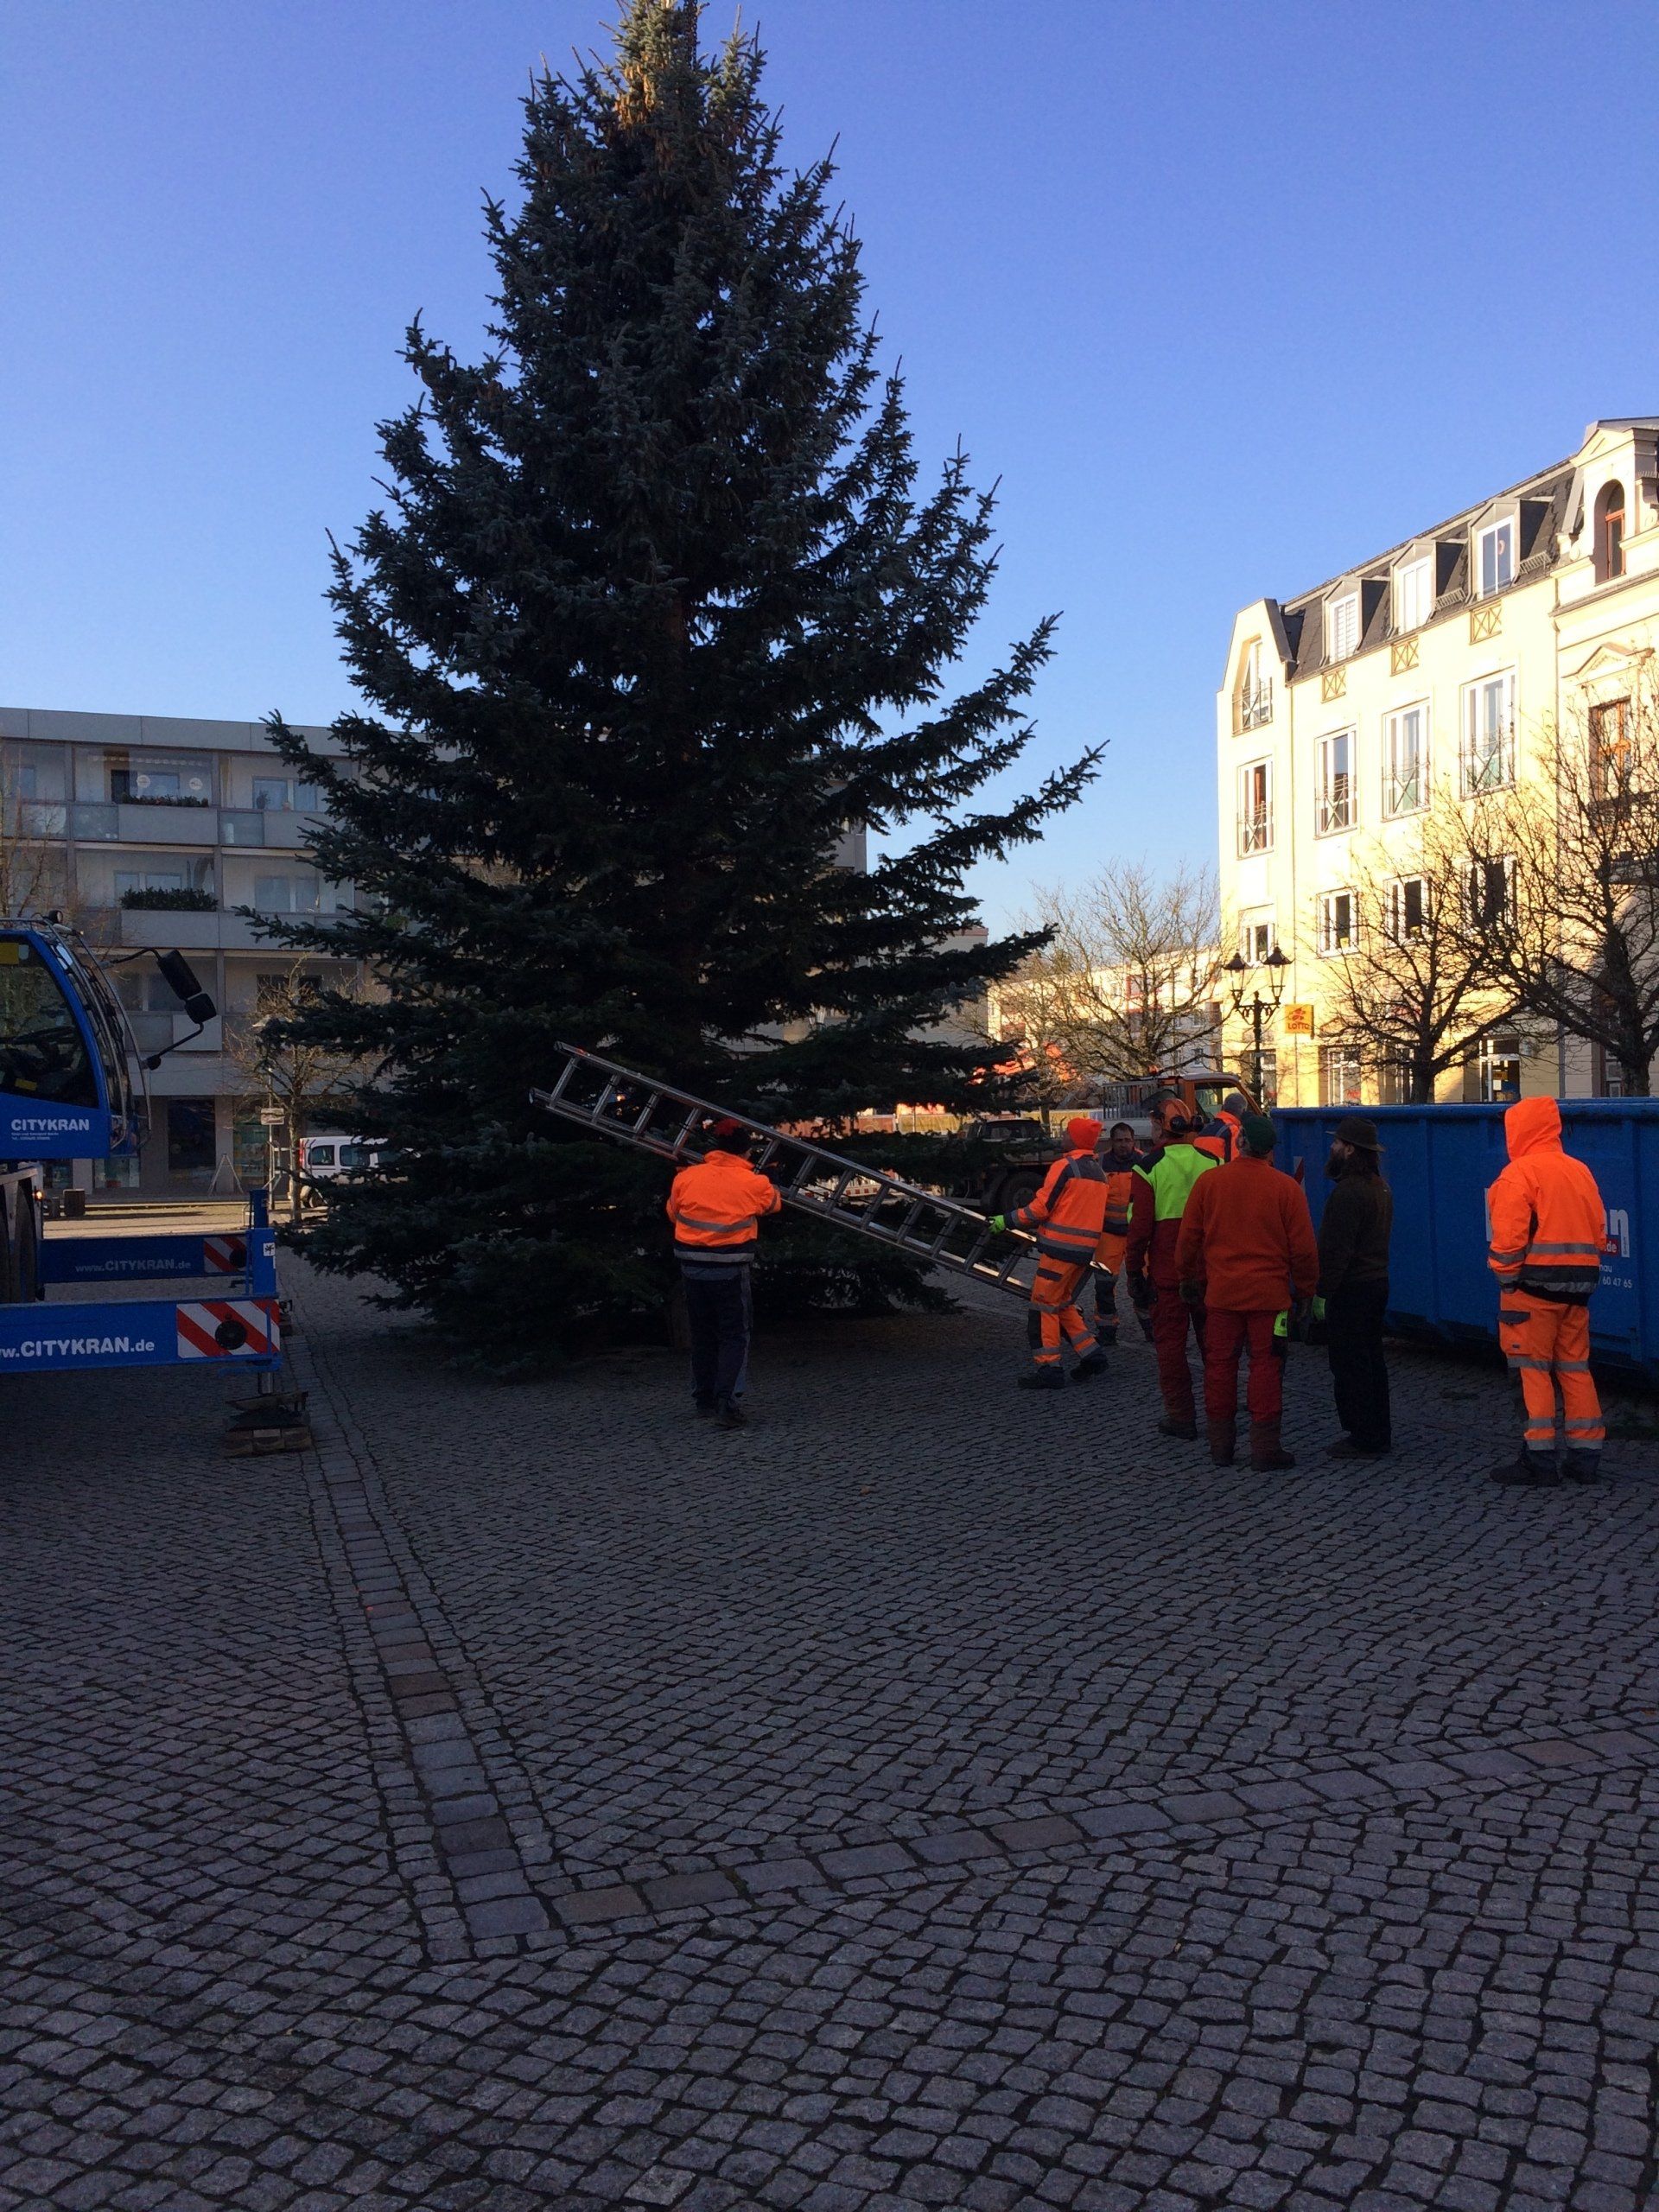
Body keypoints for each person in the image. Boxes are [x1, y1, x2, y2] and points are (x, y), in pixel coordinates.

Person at [1175, 1111, 1319, 1470]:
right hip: (1270, 1298)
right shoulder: (1286, 1188)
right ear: (1270, 1150)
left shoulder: (1210, 1183)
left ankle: (1221, 1447)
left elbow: (1188, 1239)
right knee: (1266, 1366)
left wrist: (1188, 1278)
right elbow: (1304, 1250)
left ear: (1240, 1143)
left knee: (1219, 1367)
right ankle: (1265, 1449)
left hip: (1222, 1296)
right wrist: (1305, 1291)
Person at [1486, 1096, 1606, 1486]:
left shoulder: (1518, 1174)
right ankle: (1585, 1458)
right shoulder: (1579, 1170)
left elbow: (1508, 1241)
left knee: (1532, 1371)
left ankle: (1539, 1462)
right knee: (1575, 1369)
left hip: (1530, 1293)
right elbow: (1599, 1233)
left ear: (1517, 1130)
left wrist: (1507, 1280)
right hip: (1578, 1291)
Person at [666, 1116, 782, 1429]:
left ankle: (703, 1399)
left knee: (702, 1334)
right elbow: (773, 1205)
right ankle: (726, 1403)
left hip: (692, 1268)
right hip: (729, 1270)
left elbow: (673, 1213)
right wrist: (771, 1177)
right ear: (745, 1152)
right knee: (734, 1335)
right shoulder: (753, 1183)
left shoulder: (687, 1177)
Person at [990, 1116, 1113, 1390]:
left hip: (1059, 1250)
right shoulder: (1098, 1172)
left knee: (1043, 1305)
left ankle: (1049, 1368)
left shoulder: (1065, 1167)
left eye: (1067, 1132)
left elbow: (1040, 1209)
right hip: (1082, 1252)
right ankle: (1093, 1356)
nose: (1063, 1136)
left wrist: (1006, 1220)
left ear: (1076, 1139)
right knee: (1062, 1303)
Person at [1125, 1091, 1218, 1436]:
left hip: (1168, 1277)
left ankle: (1181, 1417)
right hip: (1209, 1274)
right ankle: (1219, 1413)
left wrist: (1133, 1272)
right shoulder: (1213, 1162)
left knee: (1171, 1349)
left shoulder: (1147, 1168)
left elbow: (1139, 1230)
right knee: (1216, 1349)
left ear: (1160, 1126)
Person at [1315, 1116, 1394, 1459]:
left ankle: (1363, 1436)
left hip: (1352, 1289)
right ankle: (1378, 1430)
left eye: (1337, 1143)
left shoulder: (1348, 1193)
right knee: (1372, 1361)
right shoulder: (1379, 1187)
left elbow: (1336, 1251)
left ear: (1349, 1150)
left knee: (1350, 1364)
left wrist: (1322, 1293)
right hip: (1376, 1283)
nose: (1331, 1147)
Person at [1089, 1121, 1143, 1346]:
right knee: (1104, 1285)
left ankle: (1151, 1327)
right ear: (1112, 1141)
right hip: (1108, 1234)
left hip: (1136, 1236)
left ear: (1134, 1141)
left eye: (1127, 1140)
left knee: (1143, 1283)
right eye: (1119, 1141)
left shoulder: (1144, 1162)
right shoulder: (1099, 1163)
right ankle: (1107, 1331)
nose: (1123, 1145)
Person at [1195, 1087, 1253, 1165]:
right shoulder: (1233, 1131)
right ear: (1243, 1110)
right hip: (1220, 1171)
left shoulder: (1204, 1131)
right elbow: (1235, 1162)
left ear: (1223, 1107)